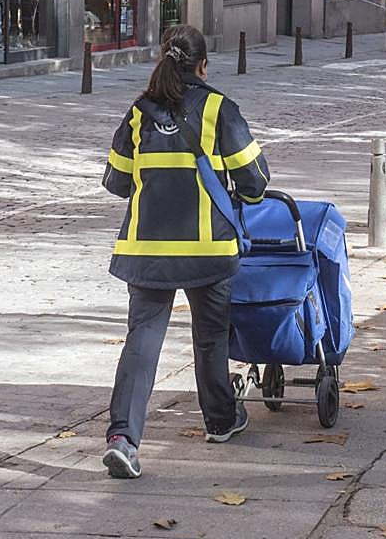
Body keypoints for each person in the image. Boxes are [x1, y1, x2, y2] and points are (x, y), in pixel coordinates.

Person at [100, 25, 270, 479]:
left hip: (146, 249)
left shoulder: (138, 114)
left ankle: (123, 439)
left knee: (142, 340)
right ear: (203, 66)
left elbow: (116, 182)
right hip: (209, 250)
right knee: (210, 336)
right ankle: (220, 420)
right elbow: (255, 183)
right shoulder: (219, 110)